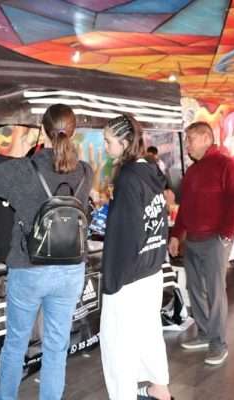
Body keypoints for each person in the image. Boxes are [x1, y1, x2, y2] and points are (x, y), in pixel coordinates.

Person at [0, 104, 93, 400]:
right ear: (73, 132)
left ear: (42, 130)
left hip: (29, 267)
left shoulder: (25, 169)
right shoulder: (86, 171)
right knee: (57, 345)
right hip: (71, 269)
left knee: (16, 343)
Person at [99, 116, 171, 400]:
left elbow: (126, 235)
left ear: (125, 142)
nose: (105, 147)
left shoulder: (128, 177)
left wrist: (113, 280)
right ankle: (160, 388)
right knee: (148, 332)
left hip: (129, 276)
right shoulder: (149, 171)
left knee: (118, 344)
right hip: (151, 269)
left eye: (108, 141)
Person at [168, 122, 234, 366]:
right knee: (195, 289)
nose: (187, 145)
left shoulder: (227, 166)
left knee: (215, 292)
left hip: (215, 240)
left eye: (190, 139)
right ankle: (204, 333)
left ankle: (218, 342)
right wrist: (176, 234)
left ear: (205, 138)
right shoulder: (193, 171)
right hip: (193, 239)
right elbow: (185, 208)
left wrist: (225, 234)